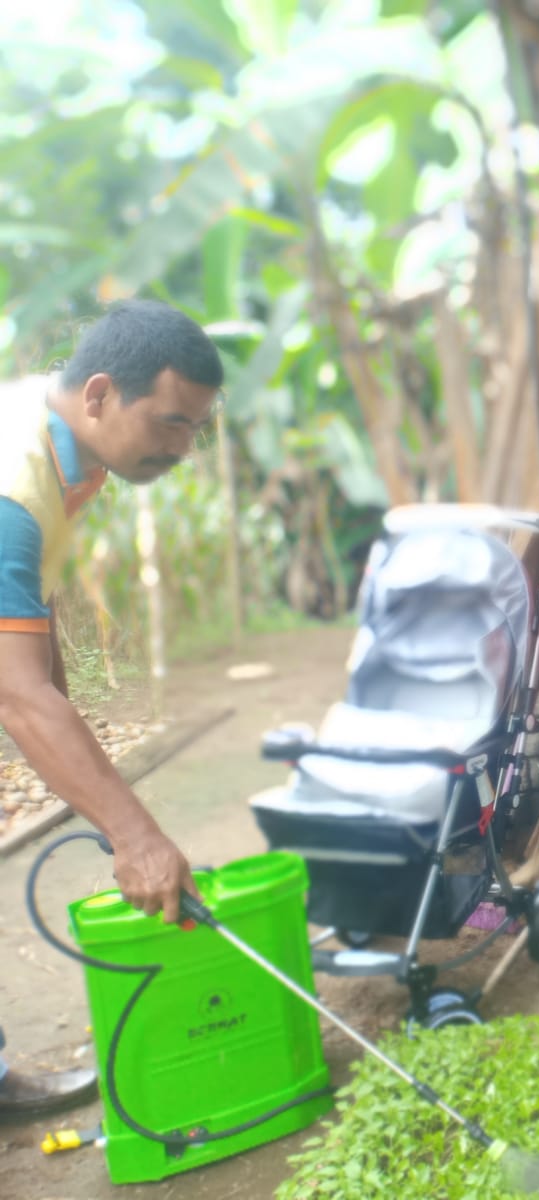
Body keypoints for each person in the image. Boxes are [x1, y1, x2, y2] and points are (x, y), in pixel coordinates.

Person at [0, 300, 223, 1118]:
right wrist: (136, 836)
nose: (183, 447)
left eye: (195, 428)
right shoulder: (14, 486)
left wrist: (77, 767)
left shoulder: (58, 437)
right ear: (99, 394)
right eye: (170, 422)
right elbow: (18, 693)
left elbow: (29, 633)